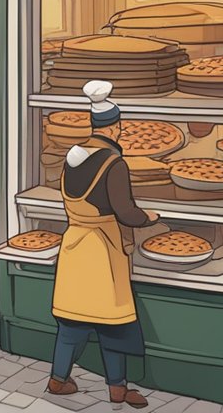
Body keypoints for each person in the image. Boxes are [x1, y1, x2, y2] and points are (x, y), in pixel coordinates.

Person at [48, 81, 156, 409]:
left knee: (71, 323)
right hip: (103, 249)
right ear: (117, 127)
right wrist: (150, 217)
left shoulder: (73, 158)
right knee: (113, 325)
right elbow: (126, 213)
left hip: (74, 245)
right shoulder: (114, 164)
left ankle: (57, 379)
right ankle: (117, 390)